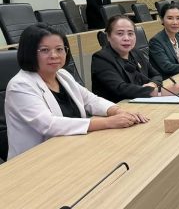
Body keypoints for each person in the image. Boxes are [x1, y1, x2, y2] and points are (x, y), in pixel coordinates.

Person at [5, 24, 148, 159]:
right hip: (36, 159)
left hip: (72, 148)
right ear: (29, 53)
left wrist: (118, 111)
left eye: (59, 49)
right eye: (45, 50)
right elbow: (49, 125)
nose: (54, 55)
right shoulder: (20, 85)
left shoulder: (63, 75)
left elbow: (91, 100)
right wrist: (108, 122)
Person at [92, 15, 179, 103]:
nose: (126, 38)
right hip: (117, 108)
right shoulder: (101, 58)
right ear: (108, 36)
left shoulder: (136, 53)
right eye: (120, 34)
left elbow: (156, 75)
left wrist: (152, 84)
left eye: (130, 33)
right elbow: (120, 89)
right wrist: (159, 92)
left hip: (142, 103)